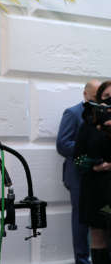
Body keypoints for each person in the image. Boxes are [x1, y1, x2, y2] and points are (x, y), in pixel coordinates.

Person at [57, 80, 100, 264]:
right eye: (94, 97)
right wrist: (90, 147)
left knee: (102, 218)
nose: (98, 101)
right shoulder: (72, 113)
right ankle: (82, 260)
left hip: (102, 175)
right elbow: (63, 145)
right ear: (85, 94)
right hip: (79, 176)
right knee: (81, 220)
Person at [74, 80, 111, 264]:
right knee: (97, 236)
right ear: (99, 100)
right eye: (106, 96)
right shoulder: (88, 124)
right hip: (95, 188)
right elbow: (77, 157)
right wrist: (93, 165)